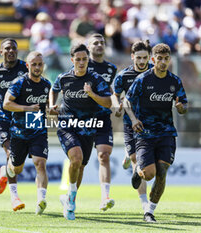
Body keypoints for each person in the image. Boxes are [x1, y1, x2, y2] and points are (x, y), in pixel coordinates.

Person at [124, 43, 188, 223]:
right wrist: (134, 119)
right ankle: (138, 170)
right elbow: (127, 101)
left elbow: (184, 105)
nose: (162, 62)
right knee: (149, 174)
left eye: (166, 59)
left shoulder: (174, 81)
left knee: (162, 171)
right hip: (145, 134)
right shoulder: (143, 79)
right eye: (159, 59)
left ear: (170, 60)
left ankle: (149, 211)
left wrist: (181, 107)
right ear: (153, 59)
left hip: (167, 132)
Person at [49, 44, 112, 220]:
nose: (82, 62)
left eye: (85, 59)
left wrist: (91, 94)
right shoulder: (64, 78)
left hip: (89, 127)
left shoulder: (96, 79)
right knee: (75, 158)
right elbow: (53, 90)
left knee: (80, 166)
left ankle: (70, 197)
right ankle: (71, 198)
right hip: (67, 125)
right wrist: (51, 105)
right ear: (72, 60)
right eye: (78, 59)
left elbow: (108, 103)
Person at [4, 51, 51, 215]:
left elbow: (47, 106)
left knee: (40, 163)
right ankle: (7, 167)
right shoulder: (19, 83)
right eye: (34, 64)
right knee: (17, 169)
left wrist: (53, 110)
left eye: (40, 64)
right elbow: (6, 104)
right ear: (27, 65)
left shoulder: (46, 85)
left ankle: (41, 200)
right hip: (19, 133)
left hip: (38, 130)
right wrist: (27, 108)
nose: (37, 67)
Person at [0, 38, 28, 211]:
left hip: (23, 117)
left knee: (21, 163)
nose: (11, 51)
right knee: (11, 154)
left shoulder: (25, 68)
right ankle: (15, 197)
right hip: (3, 117)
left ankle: (4, 171)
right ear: (1, 52)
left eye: (14, 49)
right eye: (7, 48)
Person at [113, 40, 152, 212]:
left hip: (151, 123)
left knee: (146, 163)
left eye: (145, 57)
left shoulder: (155, 72)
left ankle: (128, 155)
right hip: (130, 123)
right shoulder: (123, 75)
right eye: (139, 58)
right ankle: (144, 204)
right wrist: (116, 106)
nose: (142, 61)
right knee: (138, 161)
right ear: (132, 57)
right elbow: (115, 95)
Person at [86, 33, 117, 211]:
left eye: (102, 43)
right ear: (88, 47)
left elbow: (110, 90)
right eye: (95, 43)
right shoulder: (82, 63)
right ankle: (71, 196)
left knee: (104, 156)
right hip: (82, 118)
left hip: (102, 117)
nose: (99, 45)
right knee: (79, 161)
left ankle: (105, 197)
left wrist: (116, 104)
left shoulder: (111, 68)